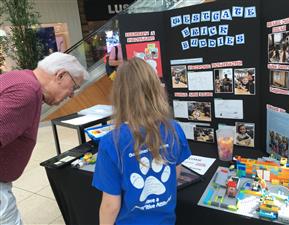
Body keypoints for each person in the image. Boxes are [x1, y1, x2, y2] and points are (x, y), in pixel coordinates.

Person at [92, 57, 191, 225]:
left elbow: (110, 205)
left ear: (119, 95)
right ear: (155, 89)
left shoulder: (112, 142)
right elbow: (176, 173)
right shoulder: (174, 129)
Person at [0, 52, 89, 225]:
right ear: (60, 75)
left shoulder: (19, 78)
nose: (71, 95)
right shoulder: (27, 92)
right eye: (74, 86)